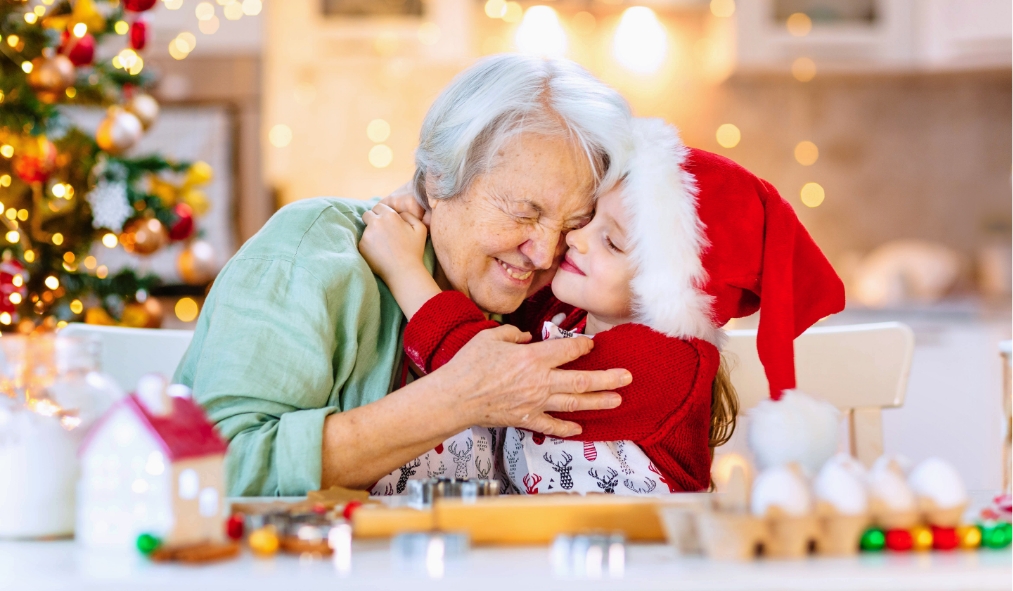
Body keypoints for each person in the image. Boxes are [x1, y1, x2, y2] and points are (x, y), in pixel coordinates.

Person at [173, 54, 637, 496]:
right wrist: (456, 398)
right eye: (522, 213)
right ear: (438, 180)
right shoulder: (312, 253)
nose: (542, 254)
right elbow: (215, 466)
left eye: (574, 224)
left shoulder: (560, 290)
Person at [360, 118, 847, 495]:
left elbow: (485, 373)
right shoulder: (565, 317)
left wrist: (405, 270)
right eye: (588, 218)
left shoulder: (670, 362)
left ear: (667, 288)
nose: (575, 238)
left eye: (611, 242)